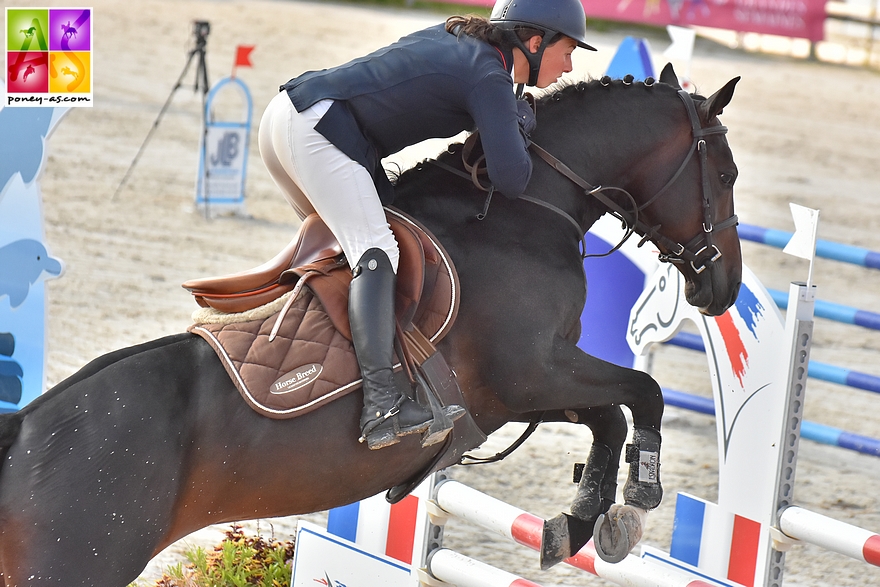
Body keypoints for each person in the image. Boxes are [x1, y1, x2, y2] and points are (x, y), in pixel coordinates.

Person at [258, 0, 596, 450]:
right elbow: (513, 179)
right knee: (378, 253)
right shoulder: (490, 76)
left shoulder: (469, 46)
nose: (569, 66)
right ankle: (381, 405)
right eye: (568, 50)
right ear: (534, 42)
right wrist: (520, 120)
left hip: (290, 118)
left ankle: (332, 371)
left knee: (355, 252)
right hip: (318, 128)